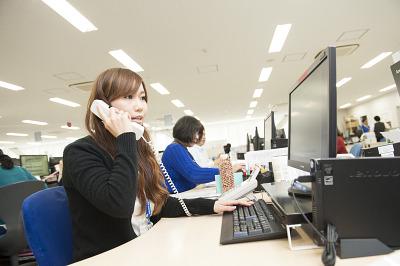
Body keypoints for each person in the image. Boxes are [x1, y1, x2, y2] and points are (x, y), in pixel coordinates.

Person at [62, 68, 252, 263]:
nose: (140, 107)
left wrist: (212, 205)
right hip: (111, 257)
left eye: (142, 98)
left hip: (146, 246)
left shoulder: (137, 145)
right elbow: (119, 205)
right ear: (103, 105)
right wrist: (125, 138)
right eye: (128, 97)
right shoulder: (80, 152)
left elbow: (157, 203)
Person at [162, 116, 243, 193]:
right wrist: (226, 170)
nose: (198, 138)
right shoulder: (174, 149)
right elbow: (195, 174)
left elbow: (196, 171)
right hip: (179, 197)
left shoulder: (181, 148)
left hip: (187, 192)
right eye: (196, 134)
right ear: (186, 132)